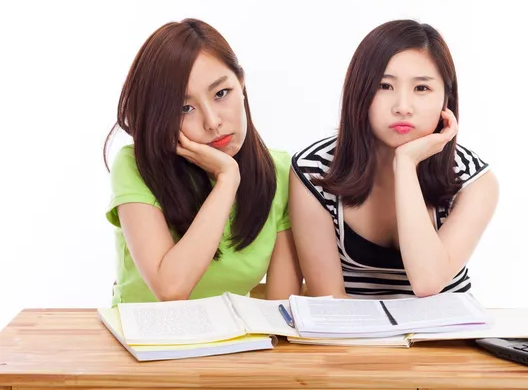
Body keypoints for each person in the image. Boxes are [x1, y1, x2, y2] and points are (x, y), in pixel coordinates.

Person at [289, 19, 499, 299]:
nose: (402, 107)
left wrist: (406, 164)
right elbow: (329, 304)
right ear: (359, 91)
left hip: (446, 339)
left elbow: (427, 282)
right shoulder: (314, 170)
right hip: (351, 339)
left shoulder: (474, 181)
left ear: (445, 99)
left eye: (421, 88)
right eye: (384, 86)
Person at [103, 19, 302, 306]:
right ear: (160, 116)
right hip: (145, 344)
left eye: (221, 93)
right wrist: (227, 178)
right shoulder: (135, 166)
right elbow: (171, 289)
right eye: (185, 108)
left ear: (241, 84)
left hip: (235, 345)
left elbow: (282, 312)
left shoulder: (280, 173)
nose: (212, 122)